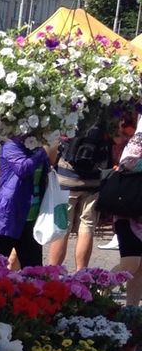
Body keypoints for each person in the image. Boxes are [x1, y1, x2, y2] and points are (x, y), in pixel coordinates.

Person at [48, 115, 114, 270]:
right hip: (93, 180)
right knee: (87, 226)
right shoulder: (104, 117)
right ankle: (81, 274)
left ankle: (53, 273)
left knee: (62, 226)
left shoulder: (70, 115)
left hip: (66, 178)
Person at [0, 134, 55, 268]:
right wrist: (44, 151)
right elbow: (23, 169)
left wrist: (52, 146)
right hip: (7, 217)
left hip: (31, 218)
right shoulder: (11, 145)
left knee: (34, 273)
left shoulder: (37, 147)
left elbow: (51, 163)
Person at [111, 123, 142, 304]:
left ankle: (131, 313)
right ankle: (93, 291)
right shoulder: (139, 139)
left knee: (140, 268)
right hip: (129, 211)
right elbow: (127, 162)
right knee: (131, 263)